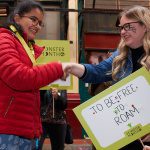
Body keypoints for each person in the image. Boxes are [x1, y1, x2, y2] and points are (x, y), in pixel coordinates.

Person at [67, 5, 150, 150]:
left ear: (145, 25)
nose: (123, 32)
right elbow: (97, 72)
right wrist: (71, 67)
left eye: (128, 26)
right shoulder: (120, 56)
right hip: (123, 133)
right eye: (121, 27)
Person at [0, 0, 68, 149]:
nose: (37, 26)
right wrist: (59, 67)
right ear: (17, 18)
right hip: (9, 131)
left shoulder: (24, 45)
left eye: (40, 23)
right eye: (33, 19)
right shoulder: (4, 39)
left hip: (23, 130)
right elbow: (19, 77)